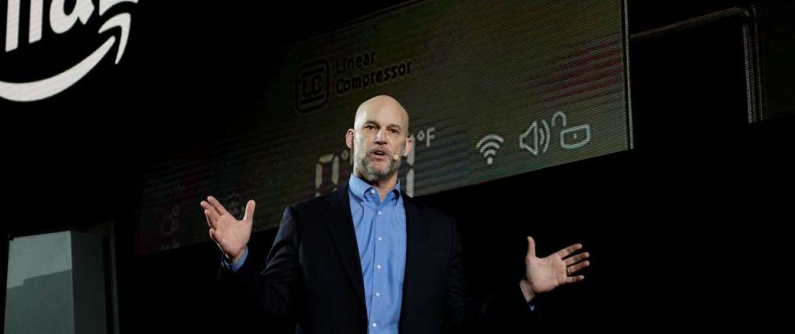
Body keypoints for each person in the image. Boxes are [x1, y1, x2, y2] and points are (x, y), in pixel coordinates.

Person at [201, 94, 589, 333]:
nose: (381, 138)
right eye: (370, 127)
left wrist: (526, 290)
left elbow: (459, 320)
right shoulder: (305, 220)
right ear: (351, 138)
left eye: (392, 130)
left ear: (406, 146)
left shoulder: (439, 230)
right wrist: (239, 258)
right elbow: (272, 311)